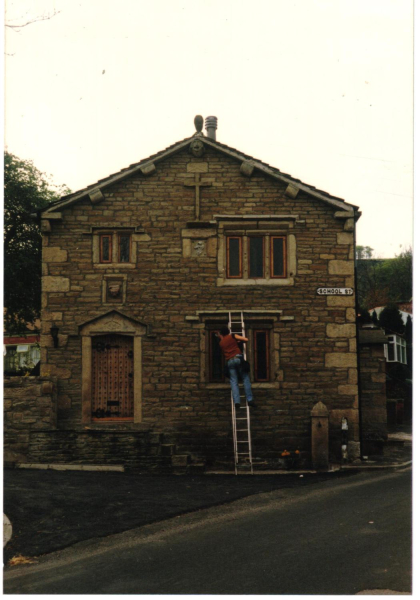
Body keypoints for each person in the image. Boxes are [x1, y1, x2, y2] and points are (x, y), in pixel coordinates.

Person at [218, 326, 255, 410]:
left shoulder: (221, 343)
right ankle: (250, 400)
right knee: (245, 378)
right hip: (238, 358)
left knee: (233, 382)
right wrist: (238, 341)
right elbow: (246, 339)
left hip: (230, 361)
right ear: (228, 331)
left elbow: (226, 346)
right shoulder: (232, 336)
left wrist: (222, 338)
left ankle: (237, 402)